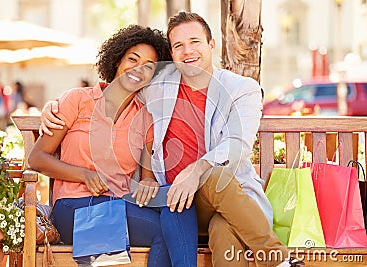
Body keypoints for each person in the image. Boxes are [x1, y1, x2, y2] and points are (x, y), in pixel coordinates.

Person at [40, 12, 304, 267]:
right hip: (136, 203)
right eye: (178, 45)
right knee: (174, 209)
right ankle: (281, 260)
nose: (187, 51)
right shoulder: (150, 89)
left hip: (225, 201)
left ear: (212, 45)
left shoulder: (240, 89)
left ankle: (277, 260)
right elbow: (114, 91)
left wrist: (188, 171)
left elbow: (237, 145)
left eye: (195, 42)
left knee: (222, 227)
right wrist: (53, 107)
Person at [28, 24, 198, 267]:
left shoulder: (145, 117)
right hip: (73, 208)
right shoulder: (78, 100)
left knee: (178, 200)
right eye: (132, 59)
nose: (138, 69)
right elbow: (37, 159)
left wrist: (149, 182)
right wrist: (85, 175)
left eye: (148, 66)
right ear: (117, 60)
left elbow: (147, 178)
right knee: (164, 231)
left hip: (119, 202)